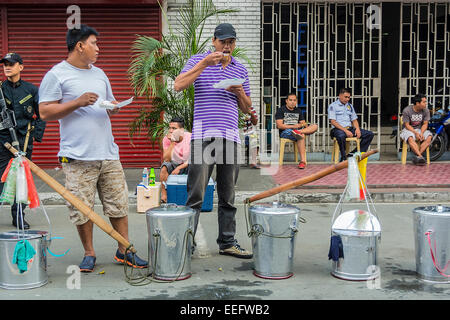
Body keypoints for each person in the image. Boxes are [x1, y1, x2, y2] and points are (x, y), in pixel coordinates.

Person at [38, 24, 147, 272]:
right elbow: (44, 111)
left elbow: (106, 102)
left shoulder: (99, 73)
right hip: (77, 155)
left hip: (107, 152)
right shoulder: (57, 75)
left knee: (118, 203)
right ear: (80, 46)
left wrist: (114, 106)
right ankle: (89, 253)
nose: (98, 48)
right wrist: (76, 102)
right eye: (94, 43)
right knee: (81, 208)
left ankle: (124, 250)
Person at [174, 23, 253, 259]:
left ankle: (227, 242)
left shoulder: (240, 68)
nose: (227, 46)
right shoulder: (198, 61)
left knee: (228, 194)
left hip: (230, 137)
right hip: (202, 136)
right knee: (196, 194)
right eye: (223, 42)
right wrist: (203, 64)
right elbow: (178, 85)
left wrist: (240, 92)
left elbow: (248, 109)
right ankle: (187, 244)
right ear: (214, 41)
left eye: (231, 42)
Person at [0, 52, 46, 229]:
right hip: (3, 140)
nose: (7, 67)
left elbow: (41, 113)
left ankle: (18, 215)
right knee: (1, 179)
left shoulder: (31, 90)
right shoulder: (0, 89)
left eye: (11, 64)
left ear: (21, 67)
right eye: (5, 64)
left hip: (24, 140)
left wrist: (36, 134)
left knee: (23, 179)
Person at [328, 88, 374, 162]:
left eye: (349, 97)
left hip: (349, 129)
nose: (347, 99)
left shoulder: (350, 106)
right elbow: (333, 121)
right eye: (345, 97)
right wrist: (345, 131)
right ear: (340, 96)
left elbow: (354, 120)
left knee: (369, 134)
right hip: (338, 129)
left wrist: (357, 129)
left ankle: (352, 154)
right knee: (341, 136)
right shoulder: (333, 106)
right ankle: (343, 157)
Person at [275, 92, 318, 169]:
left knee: (315, 126)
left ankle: (299, 132)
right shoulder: (281, 110)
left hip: (298, 131)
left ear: (296, 101)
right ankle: (302, 161)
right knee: (300, 136)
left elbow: (303, 124)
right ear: (286, 101)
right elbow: (279, 126)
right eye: (290, 100)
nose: (292, 102)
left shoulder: (298, 110)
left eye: (294, 100)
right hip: (285, 132)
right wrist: (294, 126)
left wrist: (304, 127)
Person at [160, 117, 191, 203]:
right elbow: (166, 159)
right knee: (164, 167)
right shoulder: (167, 139)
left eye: (174, 128)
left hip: (187, 163)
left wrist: (179, 168)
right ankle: (164, 194)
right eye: (169, 128)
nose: (170, 130)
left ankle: (193, 194)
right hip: (174, 163)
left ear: (181, 130)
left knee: (196, 164)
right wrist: (172, 142)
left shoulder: (190, 137)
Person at [400, 93, 432, 165]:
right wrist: (415, 133)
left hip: (421, 129)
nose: (426, 103)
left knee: (429, 137)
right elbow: (407, 125)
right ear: (417, 103)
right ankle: (420, 156)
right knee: (410, 137)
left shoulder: (426, 111)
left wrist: (421, 133)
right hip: (408, 130)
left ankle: (417, 157)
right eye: (424, 102)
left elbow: (425, 124)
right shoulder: (407, 110)